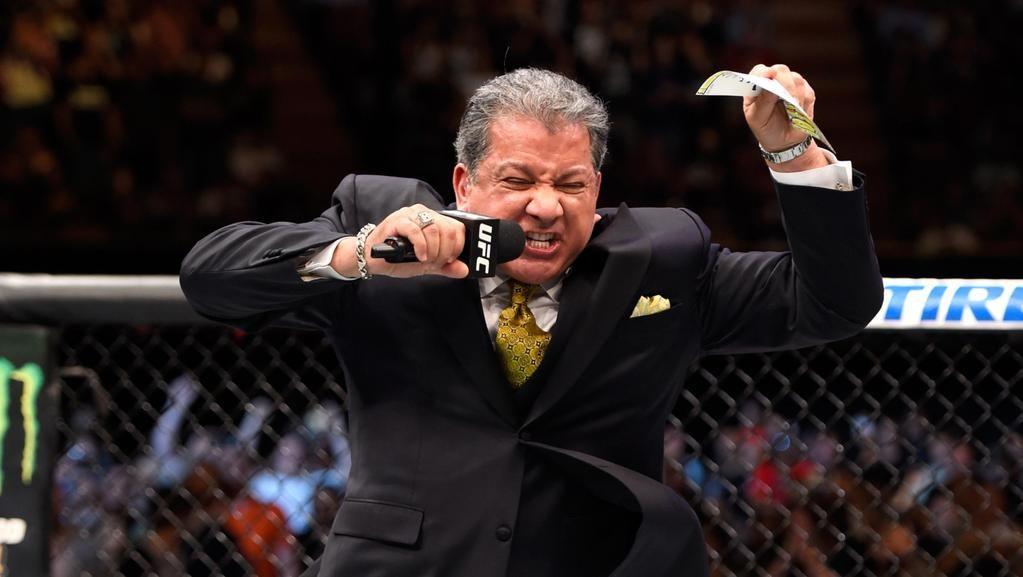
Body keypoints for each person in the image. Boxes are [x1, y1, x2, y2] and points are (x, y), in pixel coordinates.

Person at [180, 64, 883, 577]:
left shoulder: (663, 259)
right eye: (517, 181)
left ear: (597, 189)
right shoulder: (385, 223)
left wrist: (792, 154)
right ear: (465, 184)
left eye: (569, 184)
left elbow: (832, 303)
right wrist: (357, 254)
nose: (545, 206)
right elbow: (209, 277)